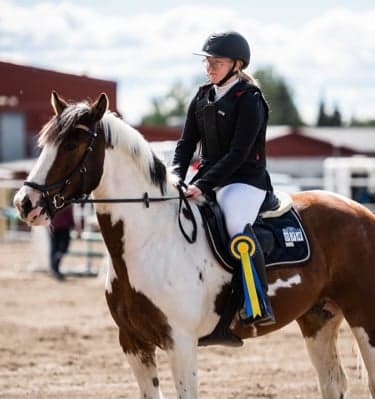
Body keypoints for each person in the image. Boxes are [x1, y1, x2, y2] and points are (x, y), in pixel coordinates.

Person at [172, 31, 275, 328]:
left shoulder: (250, 98)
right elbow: (185, 144)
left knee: (233, 223)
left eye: (216, 62)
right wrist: (178, 177)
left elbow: (239, 153)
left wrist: (201, 184)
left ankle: (256, 300)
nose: (210, 67)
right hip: (208, 177)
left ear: (237, 64)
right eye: (208, 61)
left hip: (244, 180)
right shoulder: (202, 95)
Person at [49, 205, 75, 280]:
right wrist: (73, 224)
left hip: (55, 226)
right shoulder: (66, 202)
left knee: (55, 248)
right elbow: (70, 213)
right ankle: (55, 267)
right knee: (62, 248)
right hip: (64, 227)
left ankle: (54, 268)